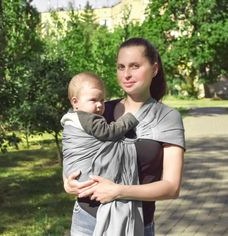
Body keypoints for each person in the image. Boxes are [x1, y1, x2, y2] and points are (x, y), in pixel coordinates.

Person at [64, 37, 185, 236]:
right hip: (86, 220)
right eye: (121, 67)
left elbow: (171, 187)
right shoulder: (101, 110)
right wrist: (68, 183)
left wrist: (118, 191)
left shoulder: (167, 118)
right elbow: (74, 150)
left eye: (135, 66)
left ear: (154, 69)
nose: (126, 74)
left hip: (135, 224)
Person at [61, 72, 143, 236]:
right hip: (88, 190)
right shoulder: (88, 119)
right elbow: (108, 132)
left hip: (84, 194)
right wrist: (128, 120)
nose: (99, 105)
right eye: (93, 100)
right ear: (75, 102)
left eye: (102, 100)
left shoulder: (71, 118)